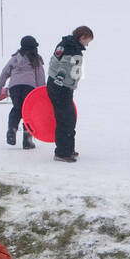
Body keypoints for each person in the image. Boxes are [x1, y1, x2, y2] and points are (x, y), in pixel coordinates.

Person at [48, 25, 93, 162]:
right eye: (88, 41)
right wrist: (60, 80)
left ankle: (68, 149)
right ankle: (62, 153)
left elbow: (55, 61)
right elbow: (65, 65)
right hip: (60, 87)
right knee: (66, 120)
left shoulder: (65, 44)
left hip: (58, 86)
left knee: (69, 118)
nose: (87, 45)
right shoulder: (72, 49)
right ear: (82, 37)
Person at [0, 35, 45, 149]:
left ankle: (12, 129)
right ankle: (27, 140)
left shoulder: (15, 58)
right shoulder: (36, 59)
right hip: (29, 88)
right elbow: (40, 76)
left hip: (14, 87)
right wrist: (42, 93)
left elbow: (4, 72)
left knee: (17, 108)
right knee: (29, 112)